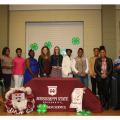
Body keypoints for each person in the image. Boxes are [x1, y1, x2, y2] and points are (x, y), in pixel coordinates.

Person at [94, 46, 113, 110]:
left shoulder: (109, 60)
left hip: (107, 78)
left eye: (103, 52)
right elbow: (95, 68)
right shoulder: (97, 60)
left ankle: (107, 103)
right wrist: (100, 75)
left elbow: (111, 69)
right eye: (101, 52)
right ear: (100, 53)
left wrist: (106, 74)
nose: (102, 53)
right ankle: (102, 103)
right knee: (100, 91)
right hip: (100, 78)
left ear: (105, 53)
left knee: (106, 91)